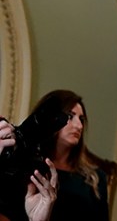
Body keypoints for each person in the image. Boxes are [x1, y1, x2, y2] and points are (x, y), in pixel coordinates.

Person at [0, 91, 110, 221]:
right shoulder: (23, 167)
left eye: (81, 119)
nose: (79, 126)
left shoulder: (96, 178)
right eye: (70, 116)